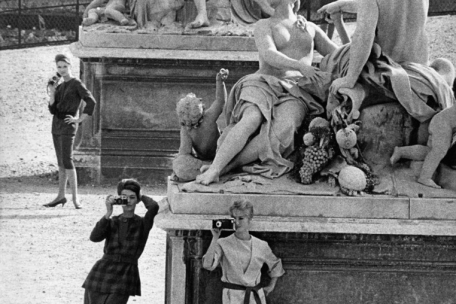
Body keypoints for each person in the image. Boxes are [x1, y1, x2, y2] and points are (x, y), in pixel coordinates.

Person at [195, 0, 337, 185]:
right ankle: (215, 168)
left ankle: (227, 167)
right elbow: (268, 53)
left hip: (297, 90)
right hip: (263, 81)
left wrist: (339, 20)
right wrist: (299, 65)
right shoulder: (264, 25)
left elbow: (339, 54)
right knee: (251, 118)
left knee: (283, 129)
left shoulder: (309, 28)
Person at [317, 0, 430, 95]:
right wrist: (341, 5)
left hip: (387, 69)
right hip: (419, 68)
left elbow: (363, 36)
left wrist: (349, 79)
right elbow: (384, 7)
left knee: (331, 63)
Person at [82, 178, 160, 304]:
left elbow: (154, 207)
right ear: (119, 200)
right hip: (102, 271)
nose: (128, 201)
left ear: (137, 200)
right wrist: (108, 213)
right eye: (124, 197)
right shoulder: (112, 221)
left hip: (126, 273)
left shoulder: (142, 224)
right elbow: (94, 238)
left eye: (132, 197)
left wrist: (141, 195)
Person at [203, 199, 285, 304]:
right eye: (234, 218)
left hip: (255, 298)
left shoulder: (261, 245)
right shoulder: (222, 243)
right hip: (232, 298)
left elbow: (276, 265)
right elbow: (207, 265)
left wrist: (271, 286)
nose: (237, 222)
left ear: (249, 219)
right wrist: (214, 238)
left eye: (241, 218)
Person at [390, 58, 456, 188]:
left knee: (430, 152)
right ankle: (424, 177)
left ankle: (401, 152)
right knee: (438, 152)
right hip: (443, 125)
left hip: (440, 122)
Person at [43, 54, 96, 209]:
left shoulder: (76, 83)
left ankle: (75, 198)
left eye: (64, 66)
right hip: (56, 126)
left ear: (70, 66)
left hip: (68, 125)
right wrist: (52, 92)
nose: (62, 70)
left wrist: (79, 120)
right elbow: (53, 109)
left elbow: (91, 101)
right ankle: (60, 196)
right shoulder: (60, 85)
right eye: (59, 67)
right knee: (60, 162)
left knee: (67, 160)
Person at [172, 68, 228, 181]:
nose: (190, 126)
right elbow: (184, 153)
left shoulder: (208, 117)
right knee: (179, 163)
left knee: (229, 135)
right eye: (187, 124)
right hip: (203, 162)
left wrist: (220, 82)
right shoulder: (186, 129)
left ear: (200, 114)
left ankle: (218, 168)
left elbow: (220, 101)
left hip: (221, 156)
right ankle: (212, 169)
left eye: (193, 123)